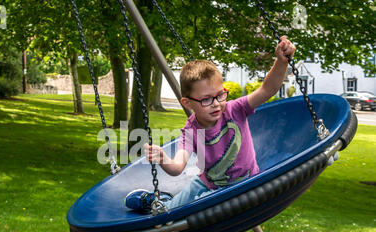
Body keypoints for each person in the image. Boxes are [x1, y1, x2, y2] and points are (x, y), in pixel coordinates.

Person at [125, 36, 296, 212]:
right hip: (207, 183)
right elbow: (177, 167)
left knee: (200, 204)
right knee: (166, 212)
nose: (216, 103)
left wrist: (281, 62)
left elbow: (267, 89)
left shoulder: (235, 109)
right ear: (187, 103)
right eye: (206, 99)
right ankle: (155, 201)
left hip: (245, 183)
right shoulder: (191, 131)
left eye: (220, 95)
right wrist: (163, 160)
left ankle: (170, 202)